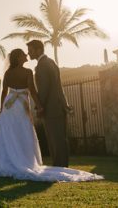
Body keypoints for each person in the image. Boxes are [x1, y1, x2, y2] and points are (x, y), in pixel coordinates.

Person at [0, 49, 103, 182]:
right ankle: (23, 160)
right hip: (21, 104)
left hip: (9, 105)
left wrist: (1, 108)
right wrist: (40, 105)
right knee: (22, 131)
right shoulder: (28, 72)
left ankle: (9, 159)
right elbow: (32, 91)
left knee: (8, 131)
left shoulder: (8, 73)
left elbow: (4, 91)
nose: (26, 55)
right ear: (18, 58)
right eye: (23, 54)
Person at [27, 39, 71, 167]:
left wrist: (40, 107)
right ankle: (62, 165)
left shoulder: (42, 66)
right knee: (60, 139)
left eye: (30, 51)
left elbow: (44, 89)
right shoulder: (51, 62)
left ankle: (60, 166)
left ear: (38, 50)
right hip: (59, 106)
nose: (28, 53)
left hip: (51, 108)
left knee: (55, 139)